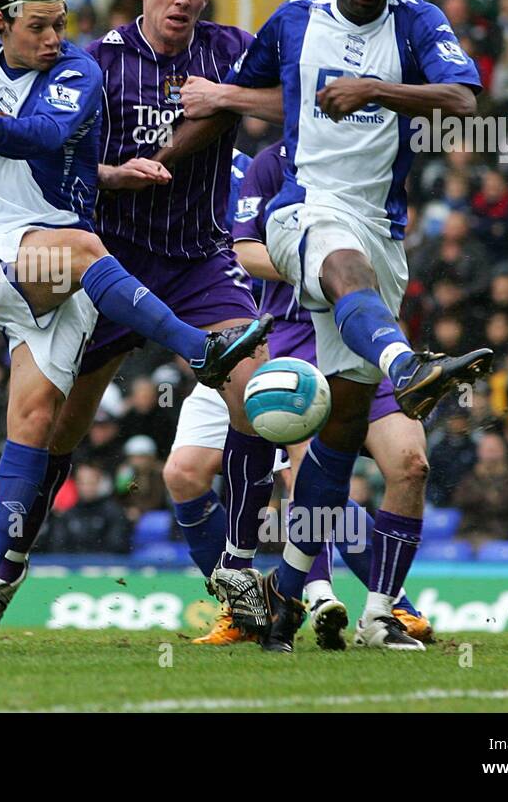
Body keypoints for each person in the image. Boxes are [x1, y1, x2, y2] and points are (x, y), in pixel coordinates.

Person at [0, 0, 270, 643]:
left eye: (60, 26)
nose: (53, 39)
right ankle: (200, 349)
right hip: (2, 255)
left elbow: (42, 138)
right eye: (38, 27)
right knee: (83, 248)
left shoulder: (78, 72)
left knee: (39, 425)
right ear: (2, 24)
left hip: (66, 279)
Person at [181, 0, 491, 652]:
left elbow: (465, 100)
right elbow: (249, 97)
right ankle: (406, 365)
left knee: (343, 432)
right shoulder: (290, 23)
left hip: (382, 228)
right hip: (305, 212)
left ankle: (286, 597)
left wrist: (375, 90)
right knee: (337, 260)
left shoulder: (416, 23)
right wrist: (172, 147)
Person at [168, 142, 435, 649]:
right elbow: (238, 252)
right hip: (236, 344)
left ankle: (352, 600)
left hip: (289, 341)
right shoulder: (162, 168)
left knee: (321, 466)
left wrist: (322, 267)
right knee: (183, 473)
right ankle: (246, 608)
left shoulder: (253, 164)